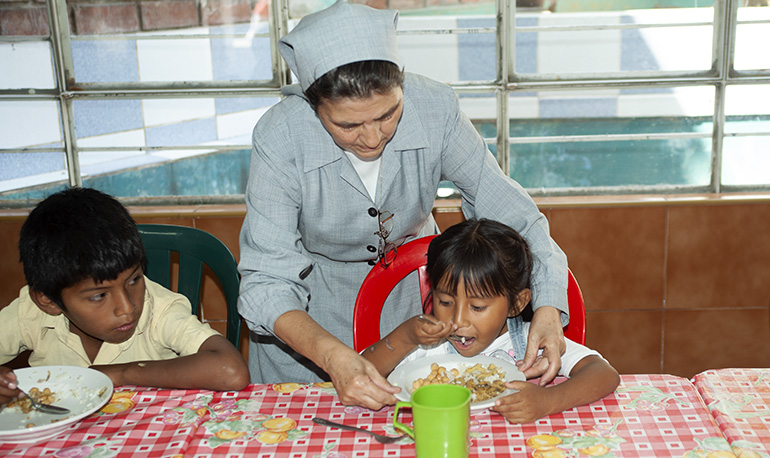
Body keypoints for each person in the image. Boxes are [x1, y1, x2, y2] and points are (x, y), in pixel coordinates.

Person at [238, 0, 570, 410]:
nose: (373, 138)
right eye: (347, 125)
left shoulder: (435, 109)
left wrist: (549, 306)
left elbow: (516, 215)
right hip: (309, 320)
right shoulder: (281, 136)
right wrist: (331, 356)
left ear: (402, 86)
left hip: (407, 312)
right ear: (313, 104)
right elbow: (266, 281)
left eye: (388, 114)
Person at [0, 187, 250, 408]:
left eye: (134, 280)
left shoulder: (159, 310)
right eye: (99, 295)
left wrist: (120, 374)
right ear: (49, 301)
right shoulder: (29, 314)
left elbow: (231, 371)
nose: (127, 307)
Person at [363, 219, 620, 423]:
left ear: (517, 304)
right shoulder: (426, 344)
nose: (459, 320)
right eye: (445, 302)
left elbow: (604, 374)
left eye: (477, 306)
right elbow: (359, 372)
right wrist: (403, 338)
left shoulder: (531, 344)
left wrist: (548, 400)